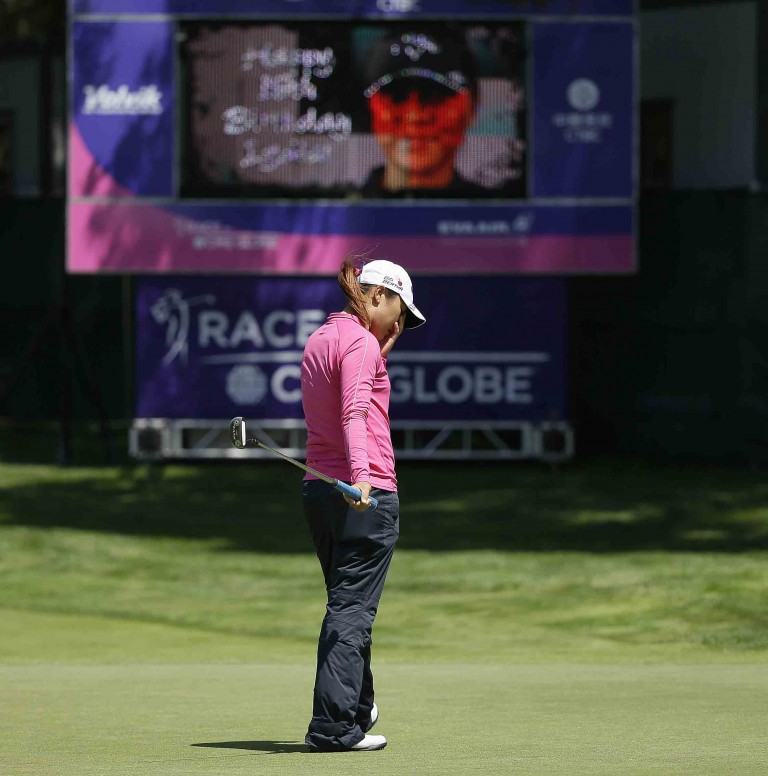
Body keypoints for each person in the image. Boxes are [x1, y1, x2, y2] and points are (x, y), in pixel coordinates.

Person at [300, 257, 426, 752]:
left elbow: (346, 400)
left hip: (319, 493)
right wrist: (363, 478)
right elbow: (353, 414)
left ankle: (356, 706)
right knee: (351, 610)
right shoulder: (357, 343)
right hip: (363, 494)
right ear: (378, 295)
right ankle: (332, 729)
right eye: (398, 310)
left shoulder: (321, 339)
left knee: (347, 603)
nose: (399, 324)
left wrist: (379, 356)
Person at [359, 29, 486, 197]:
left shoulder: (501, 213)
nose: (416, 116)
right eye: (397, 96)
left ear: (472, 106)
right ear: (370, 107)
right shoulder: (337, 214)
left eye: (435, 96)